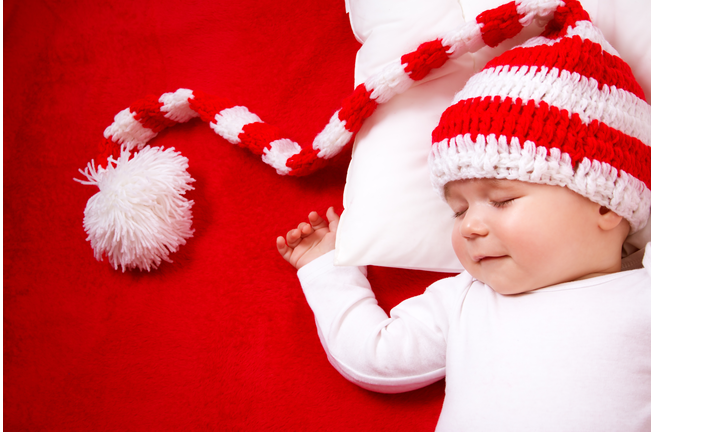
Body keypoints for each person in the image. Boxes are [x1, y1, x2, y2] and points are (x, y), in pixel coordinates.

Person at [276, 0, 650, 430]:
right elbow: (374, 356)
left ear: (604, 203)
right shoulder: (465, 300)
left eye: (502, 200)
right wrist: (327, 269)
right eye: (458, 210)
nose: (470, 226)